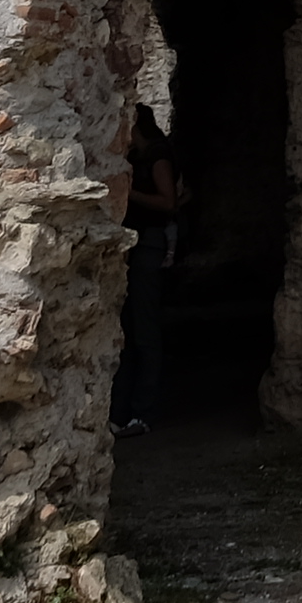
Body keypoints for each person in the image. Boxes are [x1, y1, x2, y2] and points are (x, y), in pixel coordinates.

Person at [116, 120, 187, 430]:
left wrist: (128, 194)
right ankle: (124, 410)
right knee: (131, 329)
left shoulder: (157, 157)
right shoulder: (141, 157)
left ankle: (143, 412)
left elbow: (169, 202)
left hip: (148, 244)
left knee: (144, 329)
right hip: (140, 244)